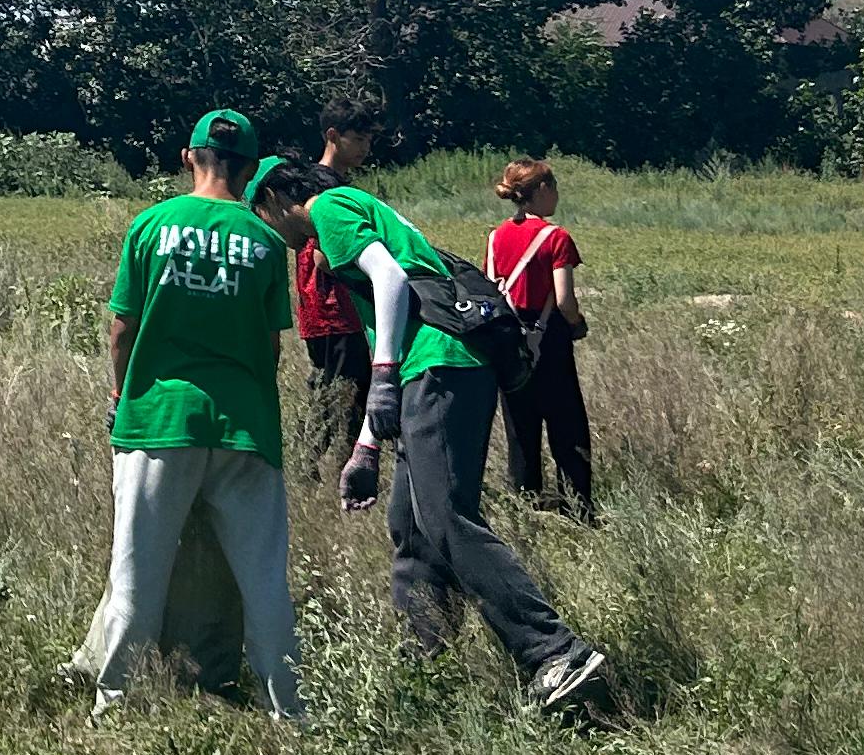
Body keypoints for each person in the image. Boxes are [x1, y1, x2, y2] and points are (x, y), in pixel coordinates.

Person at [260, 161, 610, 713]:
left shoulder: (327, 209)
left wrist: (379, 383)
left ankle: (555, 652)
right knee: (412, 526)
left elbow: (392, 281)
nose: (271, 230)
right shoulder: (357, 208)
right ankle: (426, 673)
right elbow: (391, 313)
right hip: (441, 367)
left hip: (439, 365)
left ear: (278, 198)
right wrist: (366, 447)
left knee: (447, 517)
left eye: (263, 213)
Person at [66, 110, 298, 715]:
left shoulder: (150, 226)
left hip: (159, 420)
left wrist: (123, 395)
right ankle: (288, 710)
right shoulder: (270, 244)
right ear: (249, 172)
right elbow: (272, 346)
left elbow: (122, 329)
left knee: (136, 578)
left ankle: (115, 702)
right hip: (246, 427)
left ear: (190, 157)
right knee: (265, 582)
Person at [489, 157, 595, 520]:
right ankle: (577, 511)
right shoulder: (556, 237)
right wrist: (577, 322)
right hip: (547, 337)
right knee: (567, 427)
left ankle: (526, 508)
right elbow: (563, 298)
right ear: (544, 190)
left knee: (521, 429)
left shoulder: (495, 236)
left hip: (508, 339)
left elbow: (492, 290)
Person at [285, 102, 379, 475]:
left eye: (369, 141)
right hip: (332, 304)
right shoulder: (323, 185)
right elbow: (325, 255)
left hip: (326, 305)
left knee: (334, 386)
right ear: (332, 136)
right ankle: (324, 466)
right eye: (357, 139)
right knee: (342, 391)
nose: (364, 148)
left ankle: (320, 465)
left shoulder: (322, 182)